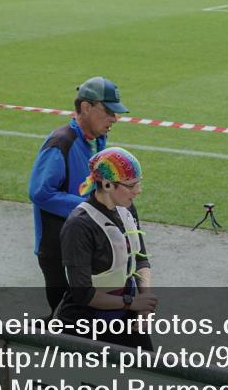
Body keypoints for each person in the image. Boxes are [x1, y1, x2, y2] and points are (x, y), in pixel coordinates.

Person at [29, 76, 129, 316]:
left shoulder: (97, 140)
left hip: (86, 244)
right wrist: (90, 207)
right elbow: (40, 192)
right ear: (86, 107)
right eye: (108, 112)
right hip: (59, 250)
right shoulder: (61, 142)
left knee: (87, 315)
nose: (114, 118)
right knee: (70, 315)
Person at [56, 147, 156, 349]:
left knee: (148, 371)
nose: (138, 190)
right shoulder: (79, 226)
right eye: (131, 185)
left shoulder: (126, 209)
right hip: (83, 325)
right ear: (107, 184)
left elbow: (141, 259)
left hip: (124, 315)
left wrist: (143, 302)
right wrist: (131, 302)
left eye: (139, 183)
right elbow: (83, 294)